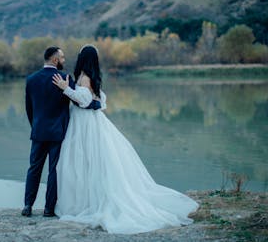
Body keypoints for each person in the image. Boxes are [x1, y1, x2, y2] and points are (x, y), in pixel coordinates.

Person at [51, 45, 199, 234]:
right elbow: (100, 102)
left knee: (86, 160)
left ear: (83, 58)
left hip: (85, 124)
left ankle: (88, 204)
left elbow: (86, 101)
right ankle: (84, 201)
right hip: (86, 121)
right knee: (86, 161)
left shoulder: (85, 77)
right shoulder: (90, 75)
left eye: (79, 55)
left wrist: (66, 89)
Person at [22, 46, 100, 218]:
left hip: (39, 131)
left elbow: (29, 109)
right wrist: (97, 104)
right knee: (53, 170)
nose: (65, 61)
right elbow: (79, 101)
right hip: (58, 132)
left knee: (34, 168)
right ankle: (49, 209)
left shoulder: (31, 79)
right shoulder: (64, 78)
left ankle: (27, 206)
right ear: (55, 60)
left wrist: (35, 126)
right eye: (63, 58)